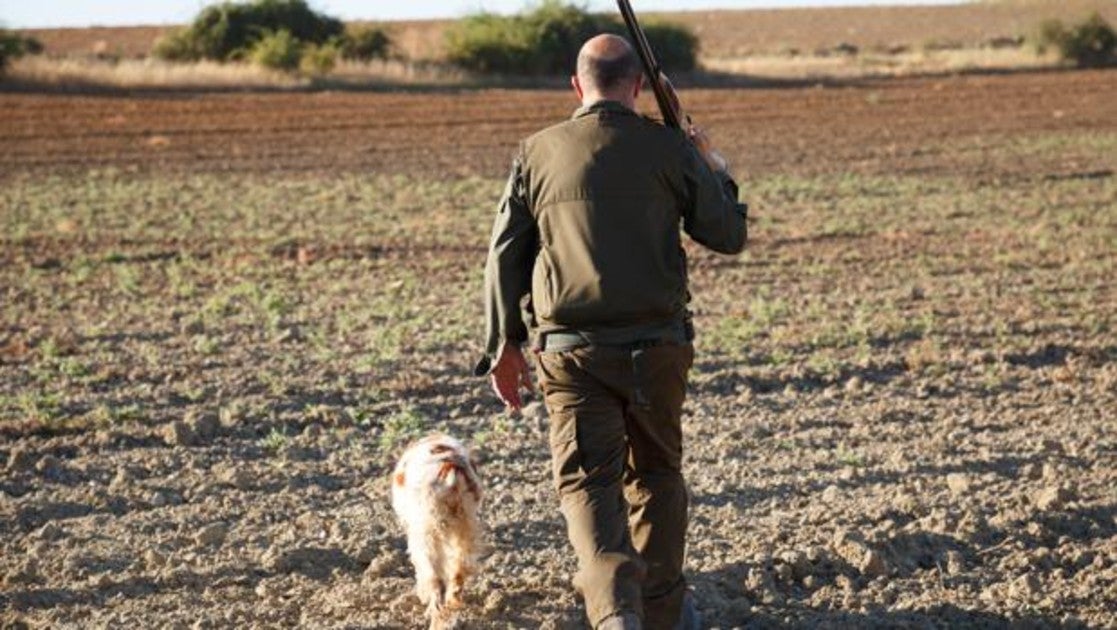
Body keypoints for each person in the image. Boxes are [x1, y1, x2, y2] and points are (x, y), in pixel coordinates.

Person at [475, 33, 747, 630]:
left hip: (571, 354)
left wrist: (504, 343)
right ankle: (664, 612)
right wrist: (709, 159)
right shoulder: (669, 148)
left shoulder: (537, 152)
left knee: (589, 485)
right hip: (660, 349)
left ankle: (616, 615)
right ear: (640, 86)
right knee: (657, 475)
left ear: (576, 86)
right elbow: (727, 233)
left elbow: (504, 256)